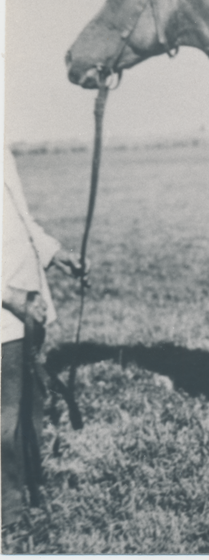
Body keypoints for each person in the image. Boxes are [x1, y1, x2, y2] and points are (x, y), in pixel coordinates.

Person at [2, 146, 86, 525]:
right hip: (10, 304)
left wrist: (54, 252)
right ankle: (8, 511)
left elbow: (18, 218)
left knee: (29, 403)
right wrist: (9, 295)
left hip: (25, 304)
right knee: (7, 413)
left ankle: (29, 492)